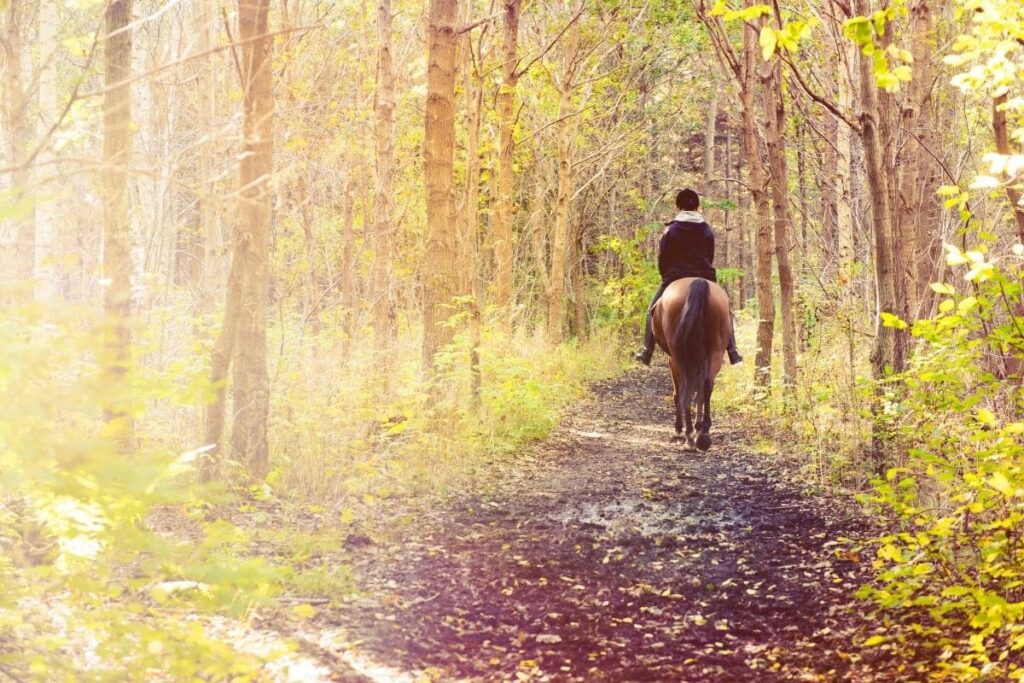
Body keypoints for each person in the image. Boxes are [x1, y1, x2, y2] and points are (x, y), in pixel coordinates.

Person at [634, 188, 743, 366]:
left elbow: (663, 257)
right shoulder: (706, 229)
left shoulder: (671, 229)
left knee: (652, 310)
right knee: (726, 309)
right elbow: (710, 255)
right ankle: (733, 351)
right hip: (705, 275)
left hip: (675, 276)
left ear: (678, 206)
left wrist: (666, 277)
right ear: (697, 207)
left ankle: (647, 350)